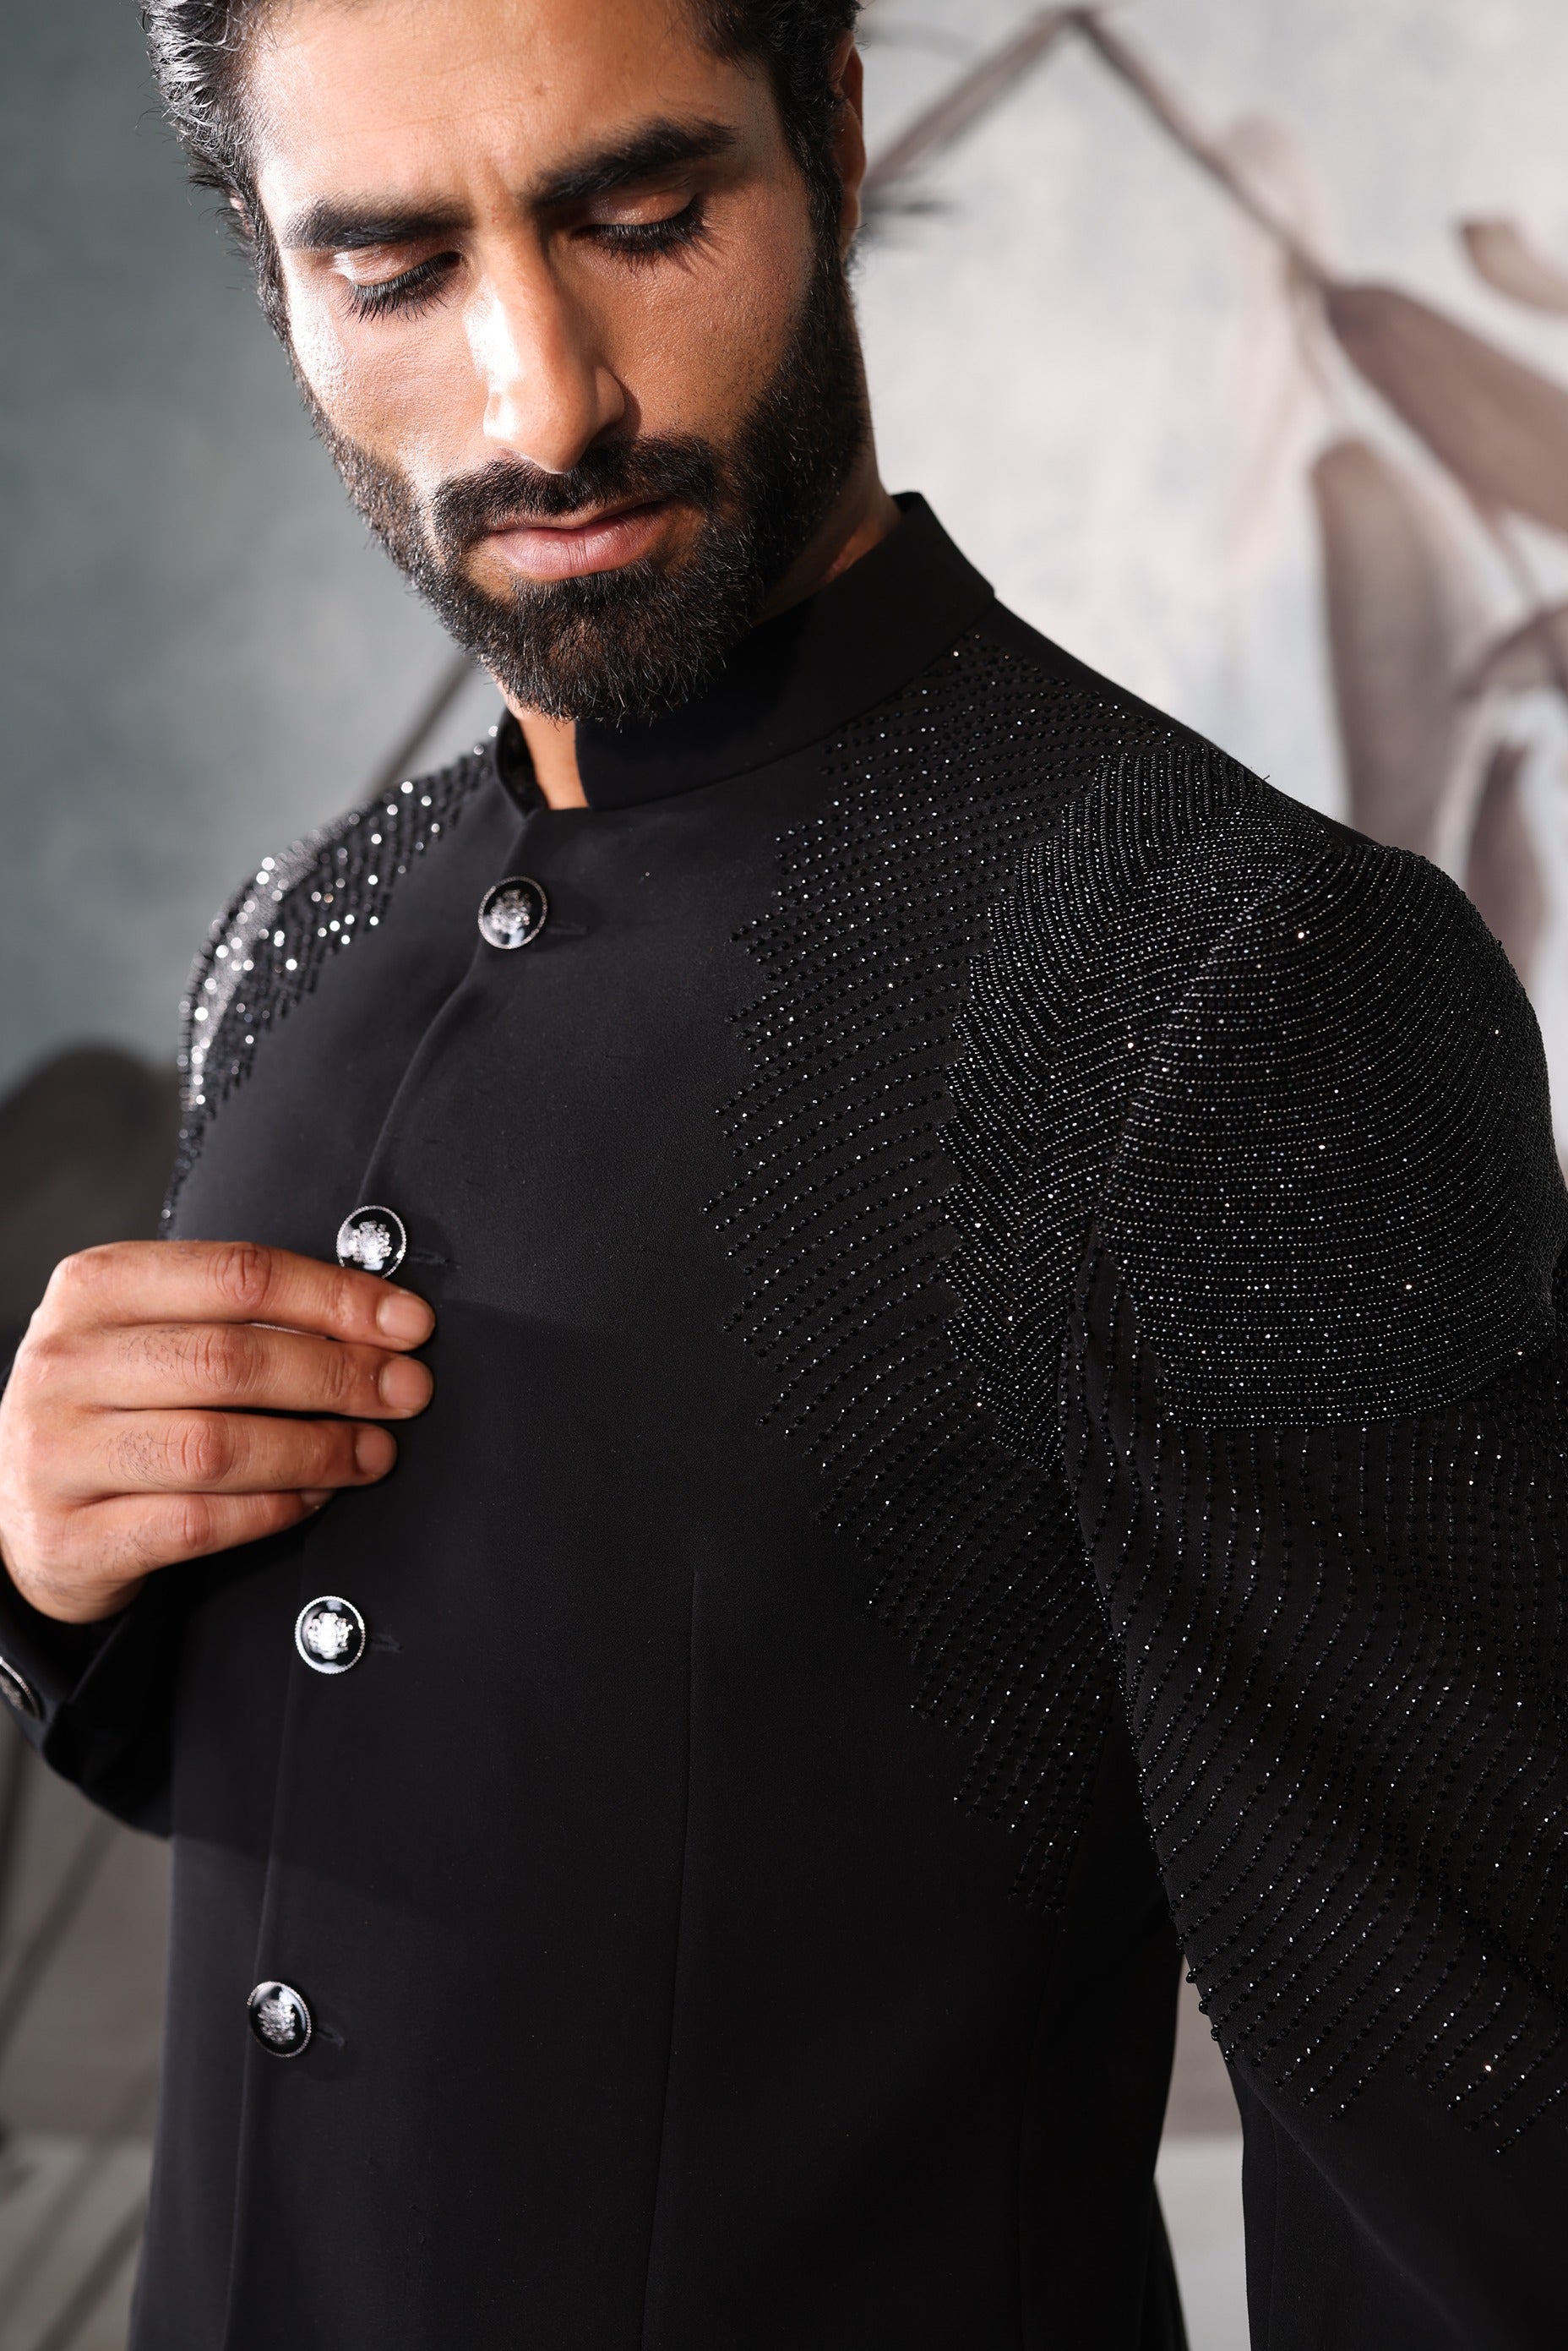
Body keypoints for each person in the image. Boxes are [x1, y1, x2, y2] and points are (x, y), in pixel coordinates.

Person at [0, 0, 1563, 2343]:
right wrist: (57, 1579)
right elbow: (419, 1791)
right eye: (396, 268)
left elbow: (1477, 2181)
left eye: (642, 215)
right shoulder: (297, 937)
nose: (543, 403)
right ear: (267, 262)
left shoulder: (1226, 982)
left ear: (824, 126)